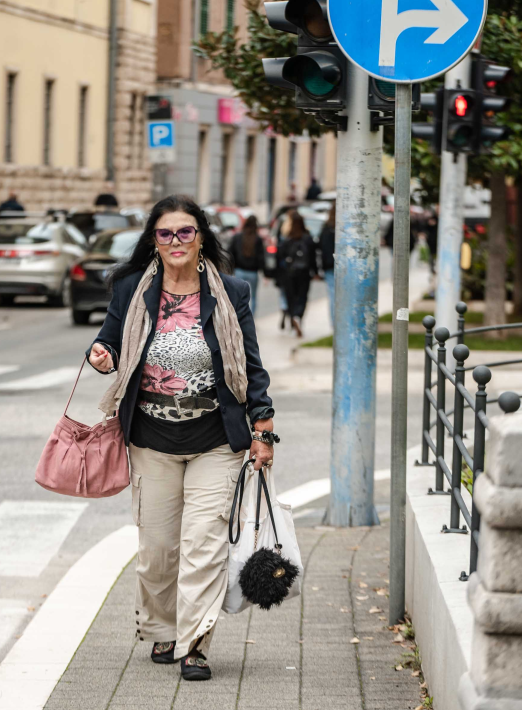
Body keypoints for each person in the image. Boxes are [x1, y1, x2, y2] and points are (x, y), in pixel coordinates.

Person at [87, 194, 276, 682]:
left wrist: (264, 424)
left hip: (216, 438)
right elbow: (108, 337)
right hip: (150, 439)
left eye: (185, 232)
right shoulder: (131, 288)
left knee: (203, 545)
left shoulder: (230, 292)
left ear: (201, 239)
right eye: (166, 233)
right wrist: (101, 354)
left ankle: (194, 644)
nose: (176, 241)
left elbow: (250, 362)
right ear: (154, 239)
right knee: (157, 550)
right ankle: (162, 628)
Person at [277, 210, 317, 338]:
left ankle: (293, 317)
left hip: (289, 273)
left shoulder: (287, 239)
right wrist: (315, 272)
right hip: (304, 273)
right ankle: (298, 317)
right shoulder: (308, 238)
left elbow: (280, 256)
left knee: (291, 297)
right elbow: (313, 257)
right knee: (302, 296)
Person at [229, 216, 266, 314]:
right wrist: (265, 273)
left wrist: (231, 268)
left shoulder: (238, 237)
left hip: (239, 270)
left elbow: (230, 253)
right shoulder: (258, 239)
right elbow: (261, 257)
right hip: (253, 272)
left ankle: (239, 317)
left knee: (238, 296)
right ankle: (251, 319)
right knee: (253, 297)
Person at [319, 204, 336, 328]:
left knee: (332, 295)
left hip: (329, 266)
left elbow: (321, 247)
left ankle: (334, 324)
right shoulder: (346, 227)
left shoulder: (326, 228)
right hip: (343, 267)